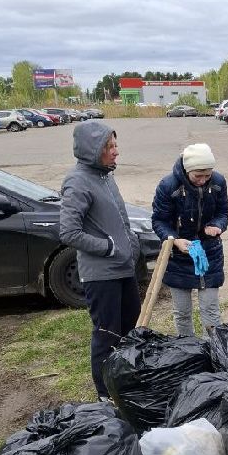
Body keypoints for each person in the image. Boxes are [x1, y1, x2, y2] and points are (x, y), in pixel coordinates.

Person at [59, 122, 141, 400]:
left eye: (116, 145)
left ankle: (126, 386)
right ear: (93, 150)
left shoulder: (106, 176)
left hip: (123, 270)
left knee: (131, 330)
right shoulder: (78, 181)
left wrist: (131, 244)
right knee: (108, 334)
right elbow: (69, 231)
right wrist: (108, 248)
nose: (116, 152)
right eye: (110, 147)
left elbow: (118, 219)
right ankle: (106, 395)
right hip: (101, 275)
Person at [151, 143, 228, 336]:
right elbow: (159, 220)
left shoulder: (218, 182)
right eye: (198, 176)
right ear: (187, 170)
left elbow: (223, 212)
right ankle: (187, 349)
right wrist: (175, 240)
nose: (203, 180)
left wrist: (218, 225)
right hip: (179, 257)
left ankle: (213, 351)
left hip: (210, 253)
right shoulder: (168, 186)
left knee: (210, 309)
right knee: (182, 312)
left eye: (207, 175)